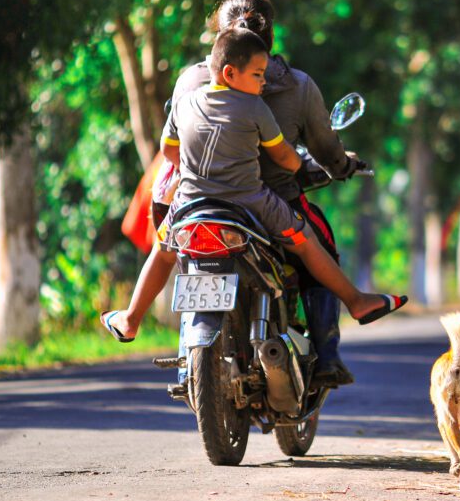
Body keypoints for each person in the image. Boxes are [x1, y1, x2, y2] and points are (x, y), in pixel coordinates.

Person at [101, 28, 406, 356]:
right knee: (306, 243)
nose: (264, 83)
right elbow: (286, 159)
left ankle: (131, 319)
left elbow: (169, 151)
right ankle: (357, 301)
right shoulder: (255, 107)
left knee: (162, 252)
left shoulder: (185, 100)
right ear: (230, 73)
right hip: (250, 202)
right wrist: (291, 165)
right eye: (259, 75)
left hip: (189, 204)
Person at [154, 0, 366, 387]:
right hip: (269, 203)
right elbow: (319, 150)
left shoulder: (189, 82)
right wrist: (341, 165)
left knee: (171, 253)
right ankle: (327, 355)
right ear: (269, 40)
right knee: (318, 247)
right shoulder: (297, 86)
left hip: (196, 204)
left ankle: (168, 342)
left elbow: (170, 151)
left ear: (219, 36)